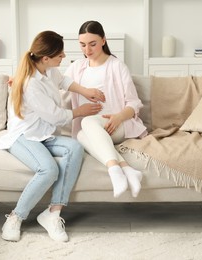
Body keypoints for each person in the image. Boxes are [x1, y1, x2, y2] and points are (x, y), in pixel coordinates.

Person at [0, 30, 105, 242]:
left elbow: (64, 81)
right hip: (24, 136)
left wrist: (84, 91)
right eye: (60, 55)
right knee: (48, 170)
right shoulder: (31, 84)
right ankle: (15, 217)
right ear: (46, 58)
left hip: (43, 134)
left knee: (75, 148)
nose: (64, 57)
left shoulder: (48, 70)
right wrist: (80, 112)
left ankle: (53, 213)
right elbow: (55, 116)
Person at [65, 21, 148, 198]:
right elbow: (54, 82)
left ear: (103, 40)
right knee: (80, 134)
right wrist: (20, 79)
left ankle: (114, 170)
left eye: (92, 44)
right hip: (92, 129)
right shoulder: (77, 67)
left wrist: (118, 117)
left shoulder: (117, 66)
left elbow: (134, 103)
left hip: (117, 124)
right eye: (82, 45)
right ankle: (124, 169)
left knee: (86, 121)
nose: (87, 50)